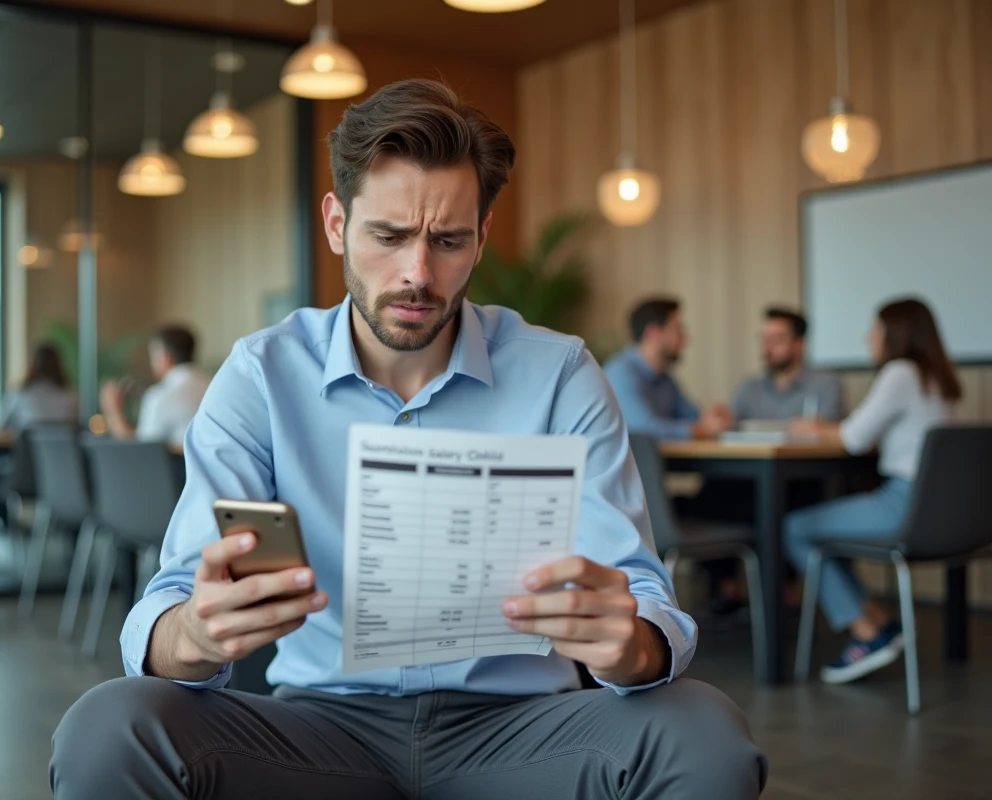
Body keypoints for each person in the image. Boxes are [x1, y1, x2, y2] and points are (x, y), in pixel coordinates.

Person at [51, 79, 765, 799]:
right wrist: (195, 636)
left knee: (703, 735)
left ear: (482, 236)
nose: (418, 274)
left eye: (449, 241)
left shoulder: (559, 374)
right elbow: (170, 599)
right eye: (388, 237)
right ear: (337, 224)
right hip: (319, 733)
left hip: (522, 730)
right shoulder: (263, 374)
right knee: (108, 727)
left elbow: (644, 592)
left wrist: (632, 645)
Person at [784, 298, 961, 684]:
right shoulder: (939, 377)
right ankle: (879, 623)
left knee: (795, 528)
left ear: (894, 334)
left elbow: (854, 438)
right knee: (829, 533)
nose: (869, 337)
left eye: (875, 330)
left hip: (904, 505)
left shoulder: (900, 372)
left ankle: (866, 633)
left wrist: (816, 427)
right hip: (946, 511)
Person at [602, 298, 733, 440]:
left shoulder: (664, 378)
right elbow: (644, 430)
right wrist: (701, 430)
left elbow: (691, 416)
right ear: (653, 333)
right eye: (678, 329)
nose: (685, 338)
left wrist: (711, 417)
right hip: (641, 462)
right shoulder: (620, 373)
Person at [99, 326, 209, 448]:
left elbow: (142, 450)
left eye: (153, 356)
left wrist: (114, 411)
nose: (151, 363)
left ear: (167, 358)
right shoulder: (210, 385)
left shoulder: (160, 395)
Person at [731, 307, 844, 422]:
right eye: (764, 340)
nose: (766, 349)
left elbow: (833, 432)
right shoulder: (749, 388)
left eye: (775, 340)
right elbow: (727, 425)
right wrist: (718, 422)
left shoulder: (825, 385)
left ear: (800, 345)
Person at [0, 342, 78, 433]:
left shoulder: (20, 393)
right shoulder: (70, 395)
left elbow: (2, 425)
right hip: (62, 447)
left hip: (27, 447)